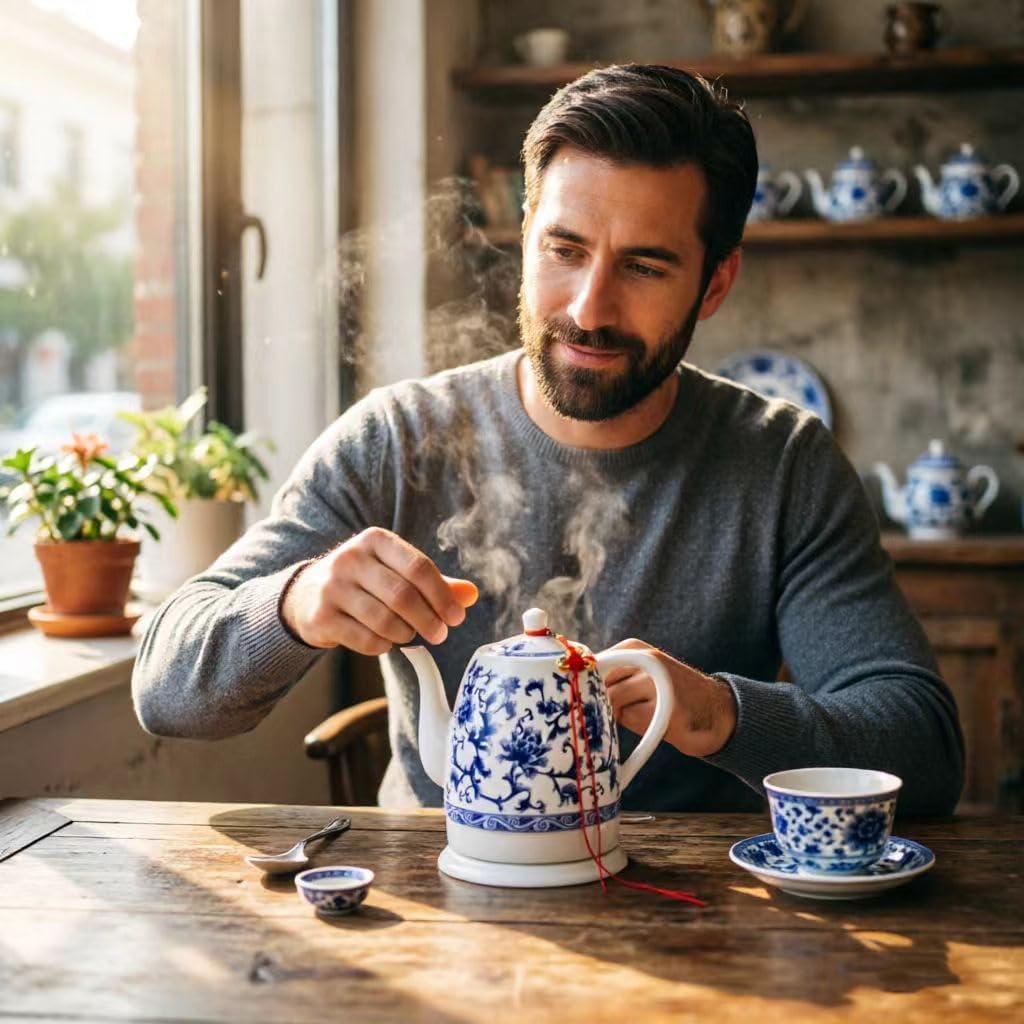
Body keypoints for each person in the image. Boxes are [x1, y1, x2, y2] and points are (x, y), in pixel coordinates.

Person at [133, 64, 964, 814]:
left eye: (644, 267)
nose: (590, 308)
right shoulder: (397, 438)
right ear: (526, 233)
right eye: (564, 250)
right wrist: (295, 602)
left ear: (715, 282)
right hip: (435, 906)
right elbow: (166, 693)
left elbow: (923, 752)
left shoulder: (782, 463)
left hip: (699, 918)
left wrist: (718, 712)